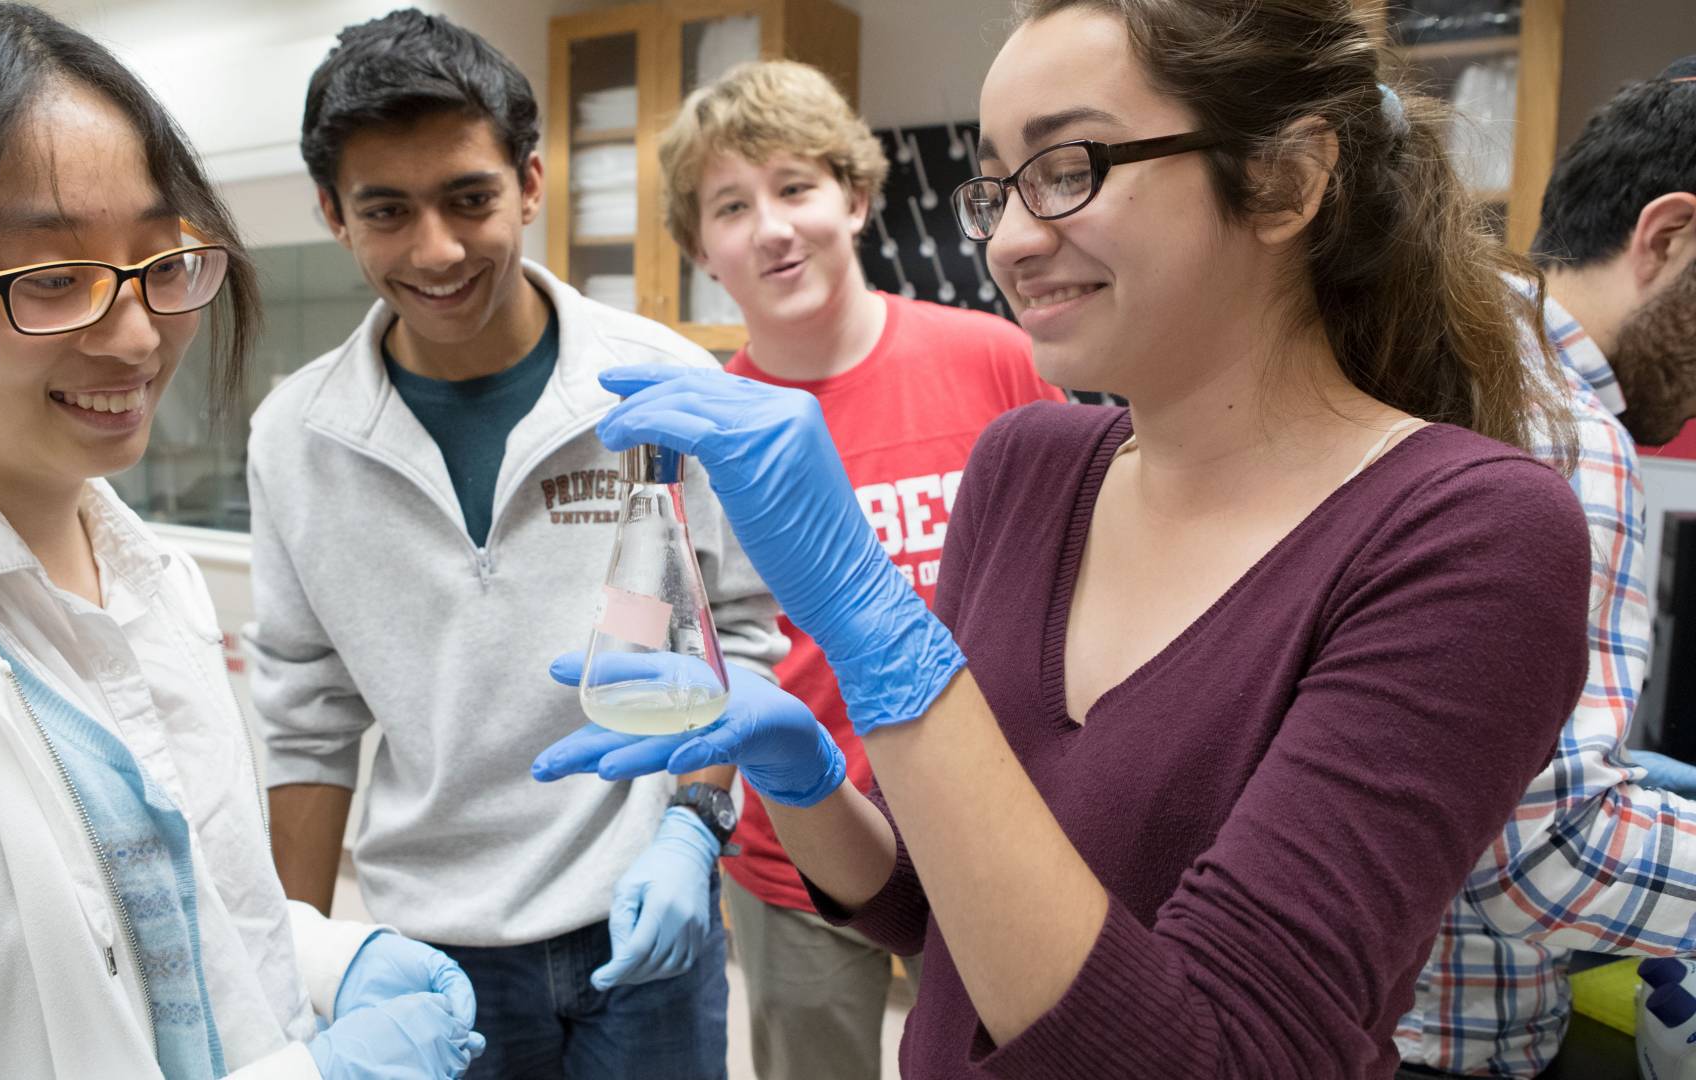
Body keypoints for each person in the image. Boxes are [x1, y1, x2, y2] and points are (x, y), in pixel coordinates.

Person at [534, 1, 1596, 1076]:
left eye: (1068, 169)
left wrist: (873, 623)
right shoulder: (1027, 467)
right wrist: (804, 782)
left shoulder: (1469, 536)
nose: (1007, 241)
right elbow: (932, 907)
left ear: (1282, 179)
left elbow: (1217, 1056)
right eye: (995, 189)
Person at [0, 1, 483, 1077]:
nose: (139, 334)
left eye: (162, 260)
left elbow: (172, 904)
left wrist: (329, 959)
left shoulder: (150, 578)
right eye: (49, 279)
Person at [249, 11, 785, 1079]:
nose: (436, 250)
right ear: (333, 215)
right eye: (386, 211)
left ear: (530, 184)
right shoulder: (297, 436)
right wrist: (288, 977)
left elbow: (733, 635)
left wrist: (695, 826)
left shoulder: (657, 383)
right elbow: (308, 723)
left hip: (640, 919)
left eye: (469, 199)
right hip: (427, 944)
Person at [655, 58, 1062, 1080]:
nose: (772, 228)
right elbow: (666, 632)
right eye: (731, 207)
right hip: (793, 853)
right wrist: (683, 818)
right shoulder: (698, 430)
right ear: (700, 249)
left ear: (856, 197)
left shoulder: (996, 360)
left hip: (991, 830)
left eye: (796, 187)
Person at [1397, 57, 1696, 1078]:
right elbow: (1542, 858)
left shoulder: (1452, 351)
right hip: (1442, 1048)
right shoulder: (1565, 430)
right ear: (1667, 237)